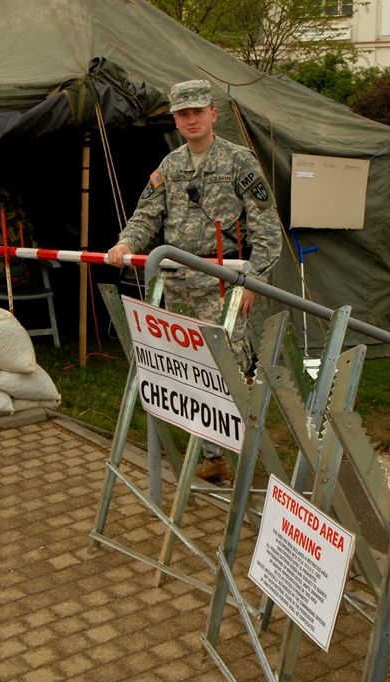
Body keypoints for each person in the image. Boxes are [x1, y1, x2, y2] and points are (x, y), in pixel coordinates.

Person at [105, 79, 282, 481]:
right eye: (183, 114)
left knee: (229, 370)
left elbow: (266, 227)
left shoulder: (239, 161)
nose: (191, 119)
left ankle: (242, 452)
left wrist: (252, 281)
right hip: (178, 283)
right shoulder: (170, 166)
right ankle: (211, 455)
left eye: (198, 111)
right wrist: (126, 242)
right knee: (188, 369)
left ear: (212, 114)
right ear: (175, 119)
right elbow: (147, 214)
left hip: (224, 281)